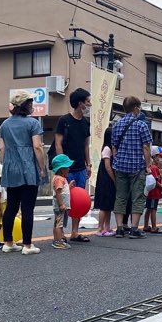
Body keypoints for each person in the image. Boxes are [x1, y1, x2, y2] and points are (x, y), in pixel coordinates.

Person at [0, 90, 46, 254]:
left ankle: (8, 243)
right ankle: (27, 245)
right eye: (30, 103)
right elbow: (37, 147)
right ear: (25, 106)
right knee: (27, 208)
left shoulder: (4, 125)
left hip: (10, 168)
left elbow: (2, 148)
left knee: (11, 206)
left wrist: (6, 166)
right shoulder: (33, 123)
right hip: (28, 168)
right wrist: (42, 168)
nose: (32, 106)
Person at [111, 95, 153, 238]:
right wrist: (148, 166)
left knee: (120, 197)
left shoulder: (116, 125)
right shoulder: (141, 125)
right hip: (136, 166)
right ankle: (134, 229)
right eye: (139, 107)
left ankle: (119, 229)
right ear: (136, 108)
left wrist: (118, 160)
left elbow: (114, 148)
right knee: (137, 197)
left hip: (120, 166)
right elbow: (146, 147)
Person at [54, 87, 92, 243]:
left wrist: (88, 164)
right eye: (88, 101)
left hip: (81, 168)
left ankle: (75, 232)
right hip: (66, 169)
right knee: (63, 201)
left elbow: (86, 146)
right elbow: (58, 144)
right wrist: (61, 169)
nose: (90, 104)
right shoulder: (64, 121)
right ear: (80, 103)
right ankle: (60, 233)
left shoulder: (85, 122)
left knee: (78, 200)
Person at [93, 127, 116, 236]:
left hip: (108, 179)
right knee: (104, 205)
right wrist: (114, 179)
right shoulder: (107, 149)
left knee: (109, 205)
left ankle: (107, 227)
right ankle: (100, 228)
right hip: (105, 179)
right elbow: (107, 167)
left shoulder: (111, 148)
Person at [50, 153, 73, 249]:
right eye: (67, 167)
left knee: (56, 223)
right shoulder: (59, 179)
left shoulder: (59, 178)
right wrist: (61, 204)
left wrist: (70, 186)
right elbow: (58, 193)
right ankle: (59, 241)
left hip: (58, 206)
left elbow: (62, 191)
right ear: (61, 169)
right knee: (59, 224)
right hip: (60, 206)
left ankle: (56, 240)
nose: (69, 169)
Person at [143, 146, 162, 233]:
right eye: (160, 156)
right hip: (154, 193)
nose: (161, 158)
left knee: (149, 209)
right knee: (153, 209)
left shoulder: (152, 167)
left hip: (151, 193)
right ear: (154, 156)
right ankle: (154, 227)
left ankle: (146, 226)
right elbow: (155, 181)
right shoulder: (154, 168)